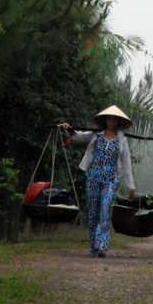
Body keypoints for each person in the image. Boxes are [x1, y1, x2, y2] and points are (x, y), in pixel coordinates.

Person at [59, 105, 136, 257]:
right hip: (94, 177)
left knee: (105, 209)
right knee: (93, 212)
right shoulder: (95, 135)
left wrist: (131, 186)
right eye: (109, 118)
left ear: (118, 122)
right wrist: (68, 129)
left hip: (111, 179)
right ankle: (93, 247)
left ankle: (101, 245)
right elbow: (77, 136)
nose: (111, 122)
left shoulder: (122, 140)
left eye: (114, 119)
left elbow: (126, 164)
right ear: (105, 120)